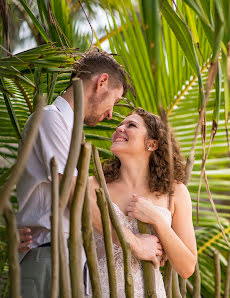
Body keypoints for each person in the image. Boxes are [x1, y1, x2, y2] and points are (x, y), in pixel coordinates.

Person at [16, 48, 162, 297]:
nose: (111, 115)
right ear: (102, 82)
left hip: (68, 263)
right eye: (114, 102)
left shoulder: (66, 130)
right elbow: (77, 197)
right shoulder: (51, 120)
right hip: (50, 260)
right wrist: (136, 244)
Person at [89, 108, 197, 297]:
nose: (119, 129)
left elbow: (187, 268)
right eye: (119, 125)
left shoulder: (175, 193)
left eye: (131, 125)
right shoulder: (93, 185)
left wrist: (156, 219)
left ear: (152, 144)